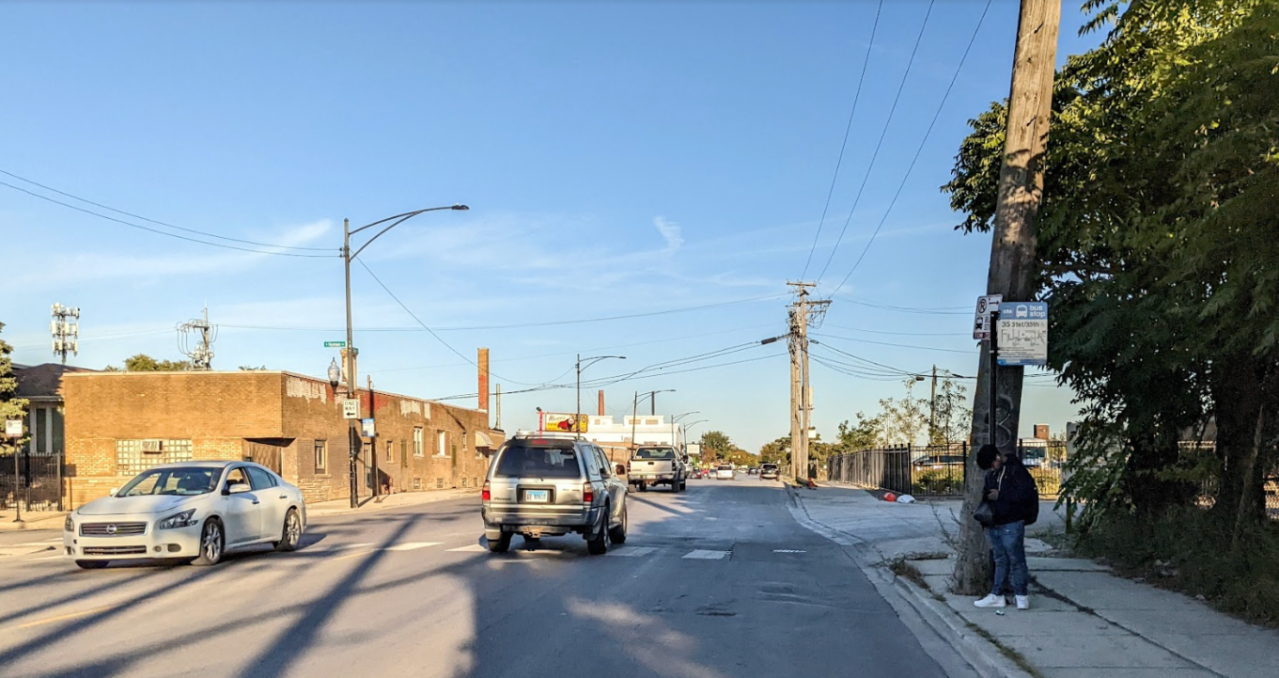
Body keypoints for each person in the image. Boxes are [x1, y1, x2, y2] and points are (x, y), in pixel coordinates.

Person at [973, 443, 1039, 610]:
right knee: (1001, 559)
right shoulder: (993, 474)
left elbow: (1025, 494)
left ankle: (1020, 594)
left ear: (997, 458)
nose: (992, 468)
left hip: (1012, 521)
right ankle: (999, 594)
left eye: (992, 464)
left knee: (1015, 559)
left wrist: (1001, 495)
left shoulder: (1015, 470)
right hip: (996, 521)